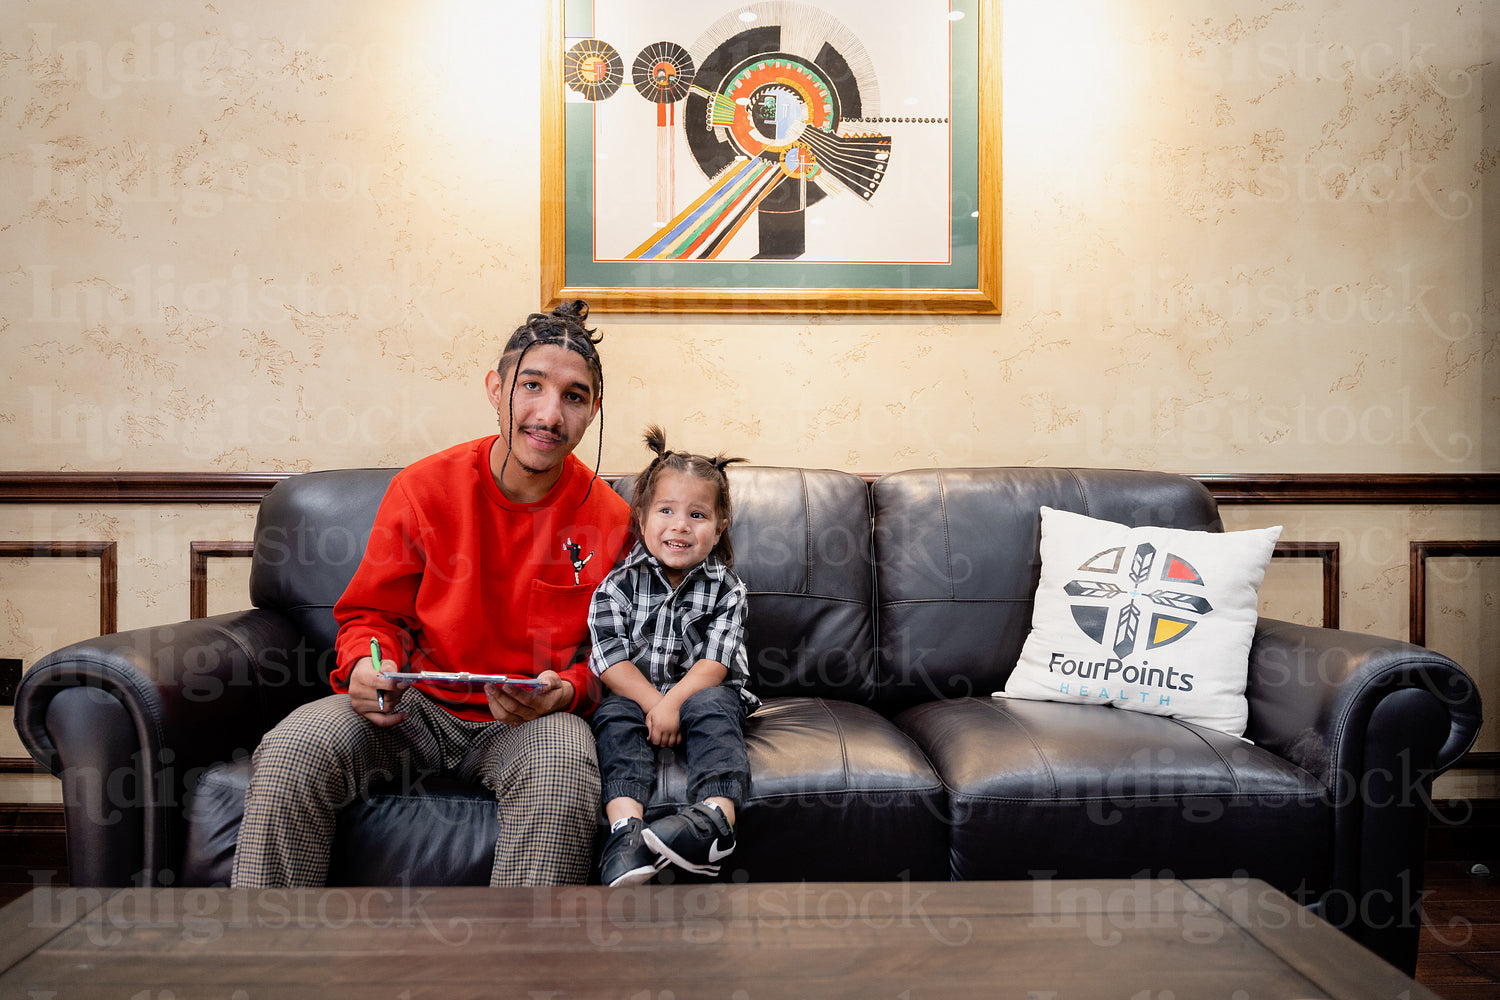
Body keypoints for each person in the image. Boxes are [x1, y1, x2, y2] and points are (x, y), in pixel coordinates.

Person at [232, 300, 632, 888]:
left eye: (573, 396)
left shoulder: (614, 519)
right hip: (412, 708)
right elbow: (371, 615)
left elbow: (613, 654)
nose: (549, 413)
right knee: (295, 746)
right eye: (532, 386)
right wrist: (370, 667)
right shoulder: (423, 489)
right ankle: (270, 969)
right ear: (496, 389)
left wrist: (565, 690)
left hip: (530, 721)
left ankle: (522, 976)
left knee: (563, 770)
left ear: (593, 411)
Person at [587, 426, 759, 887]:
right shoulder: (617, 585)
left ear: (719, 528)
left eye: (698, 514)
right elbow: (609, 661)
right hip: (639, 698)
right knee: (613, 715)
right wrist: (653, 704)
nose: (680, 525)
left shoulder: (728, 588)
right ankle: (627, 832)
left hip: (702, 692)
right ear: (641, 519)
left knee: (716, 704)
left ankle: (714, 821)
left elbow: (715, 664)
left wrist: (673, 704)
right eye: (666, 510)